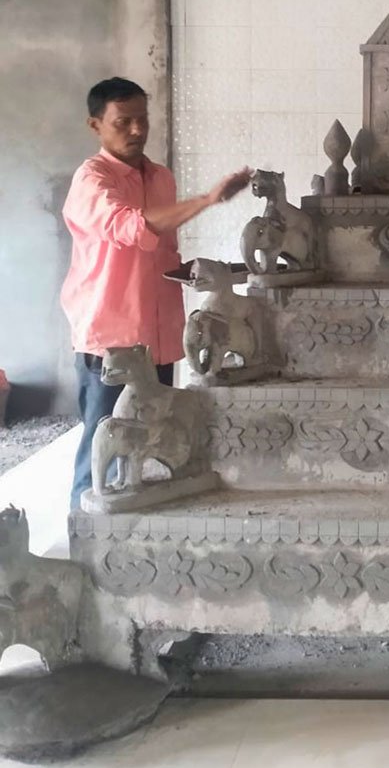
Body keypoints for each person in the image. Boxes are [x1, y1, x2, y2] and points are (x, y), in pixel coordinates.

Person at [61, 76, 250, 510]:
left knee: (147, 441)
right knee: (102, 443)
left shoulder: (160, 176)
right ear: (95, 126)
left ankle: (131, 542)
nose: (136, 130)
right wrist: (206, 200)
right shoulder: (92, 180)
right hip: (113, 338)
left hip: (158, 337)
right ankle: (82, 534)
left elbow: (161, 250)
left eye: (141, 120)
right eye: (122, 122)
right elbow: (129, 227)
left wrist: (202, 273)